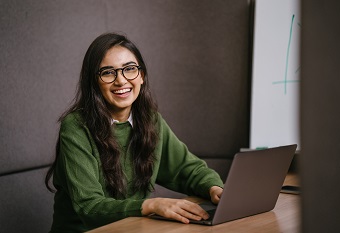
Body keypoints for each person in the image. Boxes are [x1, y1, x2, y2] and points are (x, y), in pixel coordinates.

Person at [45, 32, 224, 232]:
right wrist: (151, 205)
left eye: (129, 69)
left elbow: (186, 169)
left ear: (142, 76)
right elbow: (89, 207)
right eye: (107, 72)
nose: (121, 81)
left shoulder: (151, 120)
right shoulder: (76, 127)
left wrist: (214, 188)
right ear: (94, 82)